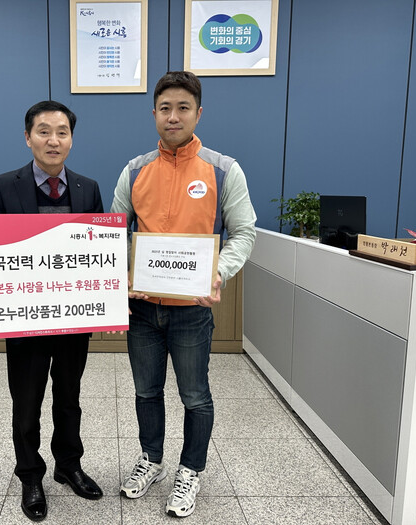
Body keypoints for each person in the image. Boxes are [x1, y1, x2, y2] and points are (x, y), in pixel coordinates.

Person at [110, 71, 256, 518]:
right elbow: (113, 233)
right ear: (154, 113)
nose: (173, 117)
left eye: (183, 108)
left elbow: (244, 233)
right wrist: (120, 275)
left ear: (198, 113)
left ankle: (190, 470)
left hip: (192, 311)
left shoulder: (223, 169)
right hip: (142, 311)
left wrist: (218, 273)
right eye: (165, 108)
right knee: (146, 391)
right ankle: (151, 460)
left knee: (195, 396)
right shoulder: (135, 170)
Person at [0, 100, 104, 522]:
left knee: (69, 397)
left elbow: (99, 254)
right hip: (25, 319)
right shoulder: (4, 186)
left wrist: (110, 304)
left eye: (62, 132)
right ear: (28, 138)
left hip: (73, 317)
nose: (53, 140)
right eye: (44, 131)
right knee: (26, 403)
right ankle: (30, 475)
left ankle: (68, 465)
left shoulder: (88, 188)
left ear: (71, 139)